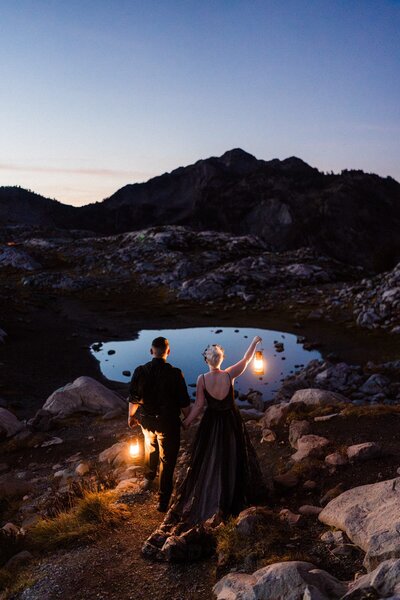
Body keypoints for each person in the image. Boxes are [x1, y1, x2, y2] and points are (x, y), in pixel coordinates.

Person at [143, 335, 267, 558]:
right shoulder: (229, 374)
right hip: (230, 423)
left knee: (209, 460)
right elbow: (247, 360)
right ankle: (229, 494)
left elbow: (199, 405)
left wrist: (186, 422)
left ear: (207, 361)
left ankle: (211, 493)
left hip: (211, 425)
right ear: (221, 359)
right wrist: (255, 342)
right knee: (231, 457)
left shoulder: (201, 379)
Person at [128, 336, 191, 512]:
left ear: (151, 351)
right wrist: (188, 419)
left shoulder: (140, 371)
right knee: (168, 460)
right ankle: (163, 501)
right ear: (168, 352)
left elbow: (134, 398)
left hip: (147, 421)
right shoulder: (175, 374)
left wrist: (130, 416)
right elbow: (184, 403)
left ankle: (149, 478)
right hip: (168, 424)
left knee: (151, 447)